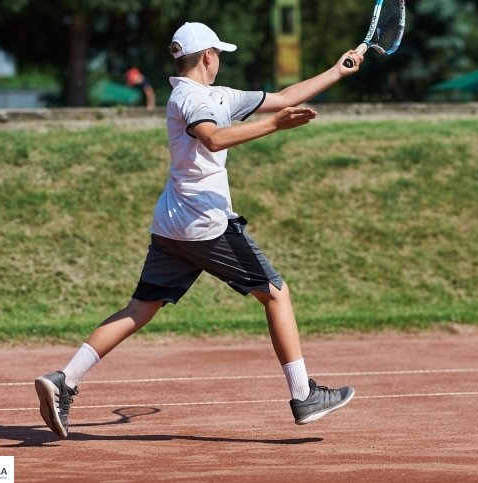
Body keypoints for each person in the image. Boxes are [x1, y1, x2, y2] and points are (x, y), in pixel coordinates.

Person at [35, 22, 365, 439]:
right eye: (219, 53)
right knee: (277, 295)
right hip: (204, 224)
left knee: (140, 309)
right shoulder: (189, 98)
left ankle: (64, 379)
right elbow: (213, 138)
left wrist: (338, 70)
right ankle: (304, 397)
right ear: (208, 56)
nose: (220, 59)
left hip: (171, 225)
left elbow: (282, 97)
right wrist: (275, 126)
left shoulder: (217, 95)